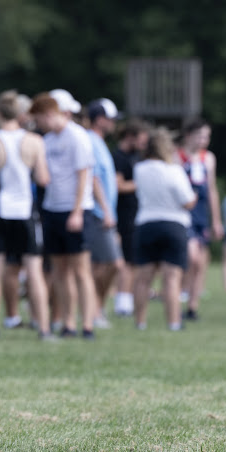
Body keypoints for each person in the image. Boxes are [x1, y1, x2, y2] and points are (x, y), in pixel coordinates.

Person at [0, 90, 53, 340]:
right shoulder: (34, 141)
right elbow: (42, 178)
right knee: (34, 271)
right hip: (26, 212)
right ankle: (44, 329)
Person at [32, 91, 99, 339]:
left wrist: (77, 211)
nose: (38, 125)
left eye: (39, 119)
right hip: (52, 209)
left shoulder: (77, 137)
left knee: (81, 270)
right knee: (60, 271)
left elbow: (84, 175)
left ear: (50, 114)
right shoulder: (47, 141)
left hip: (75, 210)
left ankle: (88, 323)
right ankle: (68, 322)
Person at [133, 127, 197, 330]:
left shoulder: (139, 169)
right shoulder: (174, 170)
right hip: (173, 224)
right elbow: (187, 201)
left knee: (144, 277)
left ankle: (140, 322)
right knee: (172, 278)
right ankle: (173, 322)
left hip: (146, 223)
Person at [178, 117, 224, 321]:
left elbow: (212, 190)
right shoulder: (177, 156)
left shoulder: (208, 158)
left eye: (207, 136)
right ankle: (178, 295)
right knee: (191, 258)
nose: (204, 140)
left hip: (201, 215)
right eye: (200, 136)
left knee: (200, 263)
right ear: (188, 136)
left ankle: (192, 306)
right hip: (183, 214)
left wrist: (216, 220)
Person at [85, 98, 124, 329]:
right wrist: (107, 211)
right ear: (100, 120)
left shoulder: (99, 143)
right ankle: (94, 308)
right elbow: (93, 178)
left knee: (100, 266)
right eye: (111, 119)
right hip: (98, 213)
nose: (114, 124)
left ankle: (95, 308)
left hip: (105, 213)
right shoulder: (90, 141)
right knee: (114, 264)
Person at [112, 118, 151, 317]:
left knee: (134, 260)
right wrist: (142, 183)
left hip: (136, 214)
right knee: (126, 260)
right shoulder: (119, 157)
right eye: (141, 141)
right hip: (124, 214)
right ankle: (123, 299)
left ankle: (128, 297)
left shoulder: (137, 157)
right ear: (130, 137)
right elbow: (118, 185)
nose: (143, 146)